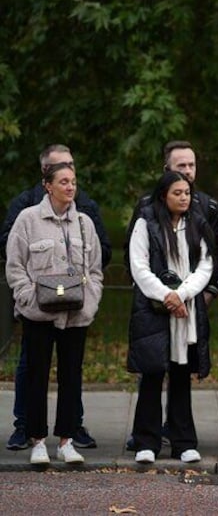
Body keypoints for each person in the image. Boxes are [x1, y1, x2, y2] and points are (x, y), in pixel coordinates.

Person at [1, 144, 110, 451]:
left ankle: (66, 440)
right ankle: (37, 440)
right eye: (63, 182)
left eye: (73, 182)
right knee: (36, 377)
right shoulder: (27, 219)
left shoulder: (84, 223)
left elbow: (96, 269)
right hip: (39, 314)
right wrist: (26, 299)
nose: (70, 187)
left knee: (71, 378)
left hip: (76, 315)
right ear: (47, 186)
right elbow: (15, 265)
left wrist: (91, 303)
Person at [124, 140, 218, 452]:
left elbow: (207, 264)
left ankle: (184, 442)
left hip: (186, 309)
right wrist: (166, 295)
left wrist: (181, 295)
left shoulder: (199, 220)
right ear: (164, 192)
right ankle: (146, 441)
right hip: (154, 309)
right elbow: (138, 266)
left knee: (181, 374)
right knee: (153, 374)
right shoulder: (146, 220)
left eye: (187, 193)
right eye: (177, 192)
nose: (184, 197)